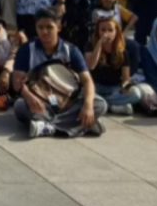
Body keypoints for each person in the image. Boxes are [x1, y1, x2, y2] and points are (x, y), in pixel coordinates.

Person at [12, 8, 107, 138]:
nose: (44, 32)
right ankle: (83, 125)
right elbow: (17, 82)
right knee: (20, 106)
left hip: (68, 101)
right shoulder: (27, 50)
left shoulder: (71, 50)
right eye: (40, 27)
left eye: (49, 27)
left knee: (100, 104)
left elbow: (87, 80)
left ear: (59, 27)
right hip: (41, 101)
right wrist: (29, 96)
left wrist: (88, 106)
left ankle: (47, 127)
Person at [84, 17, 140, 115]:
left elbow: (126, 78)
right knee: (85, 96)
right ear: (98, 32)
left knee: (137, 94)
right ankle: (113, 105)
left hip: (114, 88)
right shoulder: (90, 45)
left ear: (116, 32)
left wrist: (125, 88)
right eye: (103, 30)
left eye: (110, 30)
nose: (107, 33)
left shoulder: (122, 51)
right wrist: (100, 44)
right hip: (96, 86)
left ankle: (106, 104)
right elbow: (91, 66)